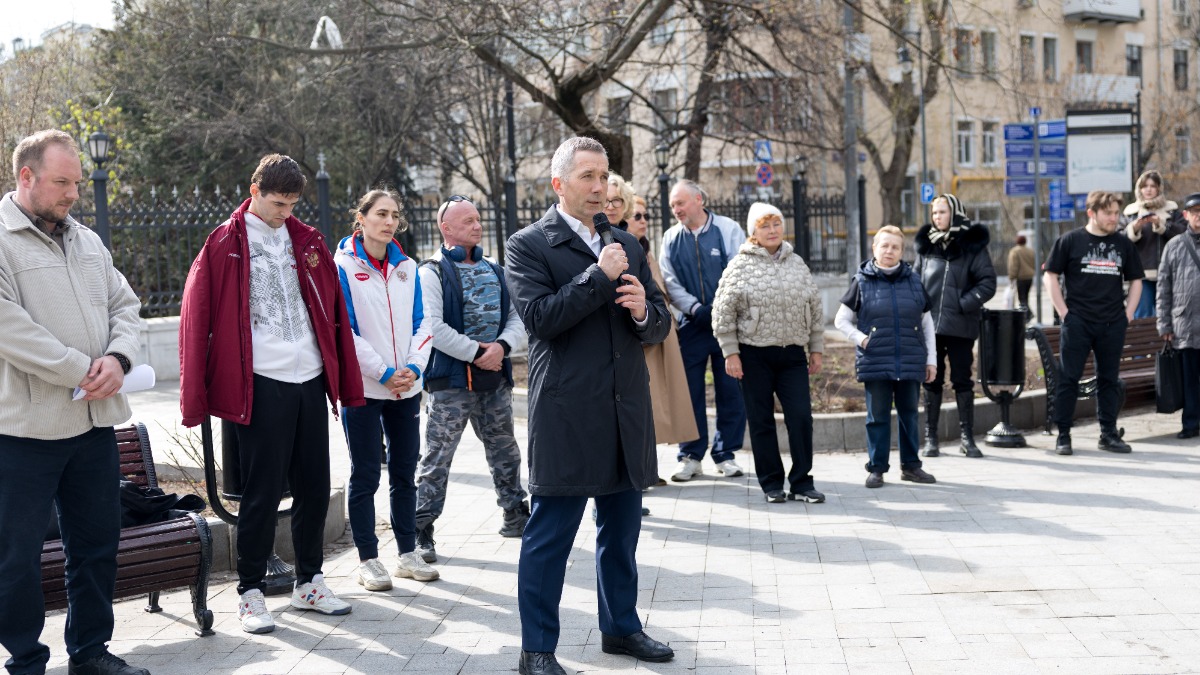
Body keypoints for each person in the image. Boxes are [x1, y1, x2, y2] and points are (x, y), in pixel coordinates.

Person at [505, 137, 674, 675]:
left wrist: (644, 310)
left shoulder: (625, 242)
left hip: (625, 410)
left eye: (604, 176)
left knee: (621, 532)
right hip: (568, 413)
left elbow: (660, 322)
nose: (600, 187)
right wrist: (598, 276)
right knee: (550, 537)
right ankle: (537, 649)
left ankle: (621, 627)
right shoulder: (529, 244)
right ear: (559, 184)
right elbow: (540, 320)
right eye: (587, 177)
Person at [179, 154, 365, 634]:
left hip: (310, 379)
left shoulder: (308, 240)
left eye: (292, 204)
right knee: (260, 492)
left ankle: (310, 582)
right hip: (260, 382)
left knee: (314, 486)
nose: (285, 212)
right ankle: (250, 592)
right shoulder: (223, 242)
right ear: (254, 191)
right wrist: (194, 393)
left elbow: (333, 311)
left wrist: (341, 376)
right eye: (278, 203)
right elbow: (195, 316)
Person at [0, 130, 148, 675]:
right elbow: (9, 328)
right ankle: (26, 661)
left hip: (92, 426)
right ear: (26, 176)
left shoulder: (87, 241)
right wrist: (81, 368)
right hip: (23, 433)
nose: (73, 194)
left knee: (95, 546)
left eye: (77, 183)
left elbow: (126, 306)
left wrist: (119, 359)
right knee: (14, 559)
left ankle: (89, 653)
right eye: (62, 182)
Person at [414, 194, 529, 563]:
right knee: (438, 455)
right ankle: (421, 527)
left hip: (494, 379)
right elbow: (433, 327)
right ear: (446, 228)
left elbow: (517, 318)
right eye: (468, 221)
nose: (477, 226)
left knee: (504, 448)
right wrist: (478, 353)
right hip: (451, 383)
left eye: (478, 219)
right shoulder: (431, 272)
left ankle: (515, 514)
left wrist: (502, 347)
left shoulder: (496, 269)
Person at [335, 189, 436, 590]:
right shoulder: (342, 265)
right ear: (361, 218)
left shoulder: (408, 266)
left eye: (394, 214)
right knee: (364, 475)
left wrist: (412, 367)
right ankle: (368, 559)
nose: (389, 221)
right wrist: (383, 372)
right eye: (380, 213)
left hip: (406, 388)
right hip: (363, 388)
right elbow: (345, 329)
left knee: (404, 473)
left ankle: (408, 553)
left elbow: (422, 323)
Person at [712, 203, 826, 504]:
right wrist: (731, 353)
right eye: (765, 226)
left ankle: (802, 482)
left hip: (792, 356)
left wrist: (816, 348)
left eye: (776, 224)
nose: (772, 230)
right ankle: (772, 483)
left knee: (801, 418)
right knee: (761, 420)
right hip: (753, 356)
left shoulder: (797, 263)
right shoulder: (739, 266)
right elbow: (723, 312)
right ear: (754, 231)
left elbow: (814, 307)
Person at [835, 226, 938, 489]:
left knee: (909, 415)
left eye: (895, 247)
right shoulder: (861, 281)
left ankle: (911, 467)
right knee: (877, 417)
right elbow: (841, 320)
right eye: (884, 245)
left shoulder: (914, 281)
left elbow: (927, 325)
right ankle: (877, 468)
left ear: (902, 251)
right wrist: (862, 339)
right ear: (875, 248)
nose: (889, 250)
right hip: (876, 360)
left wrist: (931, 361)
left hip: (910, 360)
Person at [659, 179, 748, 482]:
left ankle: (725, 455)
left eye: (680, 203)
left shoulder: (728, 229)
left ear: (699, 200)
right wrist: (696, 309)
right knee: (689, 392)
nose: (676, 209)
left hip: (728, 326)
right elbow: (669, 281)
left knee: (730, 390)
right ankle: (690, 456)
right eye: (673, 205)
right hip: (692, 325)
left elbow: (739, 271)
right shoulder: (670, 237)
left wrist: (721, 309)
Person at [1044, 190, 1143, 455]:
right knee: (1068, 378)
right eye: (1108, 213)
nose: (1114, 218)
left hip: (1112, 323)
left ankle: (1108, 434)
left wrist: (1128, 314)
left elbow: (1136, 279)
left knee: (1108, 379)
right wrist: (1064, 313)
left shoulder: (1123, 244)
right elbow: (1050, 275)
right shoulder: (1070, 241)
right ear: (1091, 213)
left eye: (1116, 213)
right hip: (1078, 322)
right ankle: (1063, 435)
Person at [913, 194, 996, 459]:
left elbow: (988, 283)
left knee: (962, 380)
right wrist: (920, 307)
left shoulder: (972, 245)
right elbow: (915, 281)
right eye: (934, 213)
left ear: (956, 213)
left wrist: (962, 304)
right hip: (930, 327)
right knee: (931, 380)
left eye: (942, 212)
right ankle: (931, 438)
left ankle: (967, 438)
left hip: (961, 325)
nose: (937, 217)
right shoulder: (926, 246)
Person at [615, 184, 698, 447]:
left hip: (659, 329)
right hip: (642, 340)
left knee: (666, 402)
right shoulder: (623, 250)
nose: (644, 221)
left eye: (646, 216)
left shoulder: (646, 250)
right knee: (648, 405)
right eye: (637, 216)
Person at [1155, 192, 1200, 439]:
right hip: (1185, 324)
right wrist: (1164, 324)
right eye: (1194, 212)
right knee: (1189, 378)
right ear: (1185, 215)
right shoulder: (1174, 245)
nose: (1198, 216)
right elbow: (1163, 288)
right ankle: (1190, 423)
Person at [1119, 170, 1184, 319]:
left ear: (1159, 188)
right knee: (1143, 317)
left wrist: (1162, 225)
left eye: (1153, 186)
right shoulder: (1130, 213)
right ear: (1139, 189)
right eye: (1144, 186)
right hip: (1140, 275)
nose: (1148, 190)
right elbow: (1118, 239)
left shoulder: (1172, 211)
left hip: (1169, 272)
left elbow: (1183, 234)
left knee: (1169, 315)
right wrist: (1134, 228)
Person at [1007, 234, 1036, 319]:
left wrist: (1012, 277)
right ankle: (1027, 314)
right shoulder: (1030, 251)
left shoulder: (1015, 251)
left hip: (1021, 278)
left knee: (1022, 298)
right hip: (1030, 277)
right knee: (1026, 297)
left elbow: (1013, 266)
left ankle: (1028, 314)